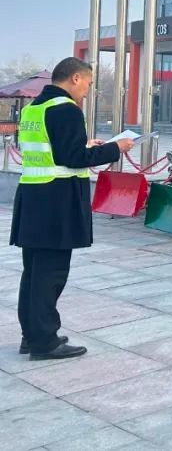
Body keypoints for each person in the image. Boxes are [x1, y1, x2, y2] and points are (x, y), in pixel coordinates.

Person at [11, 57, 134, 360]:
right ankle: (45, 342)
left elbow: (53, 150)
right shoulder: (66, 109)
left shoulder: (33, 108)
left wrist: (85, 144)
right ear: (75, 78)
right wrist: (115, 148)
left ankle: (32, 335)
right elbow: (73, 158)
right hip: (56, 200)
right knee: (51, 274)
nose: (87, 91)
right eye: (88, 84)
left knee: (34, 272)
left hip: (33, 197)